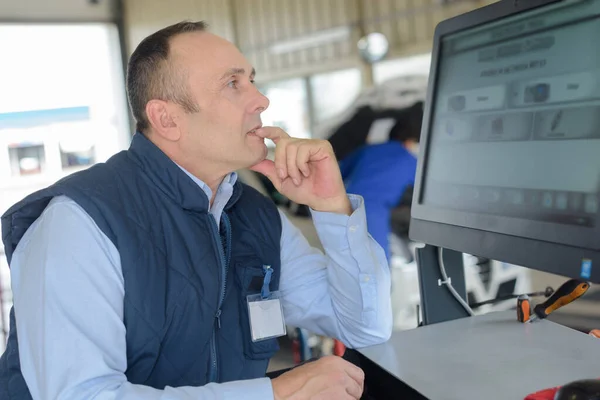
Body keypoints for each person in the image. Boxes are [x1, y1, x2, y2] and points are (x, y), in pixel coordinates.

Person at [0, 21, 392, 400]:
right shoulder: (80, 222)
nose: (261, 99)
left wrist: (331, 208)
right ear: (167, 119)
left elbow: (365, 329)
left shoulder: (256, 215)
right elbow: (80, 395)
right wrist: (276, 393)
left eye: (252, 80)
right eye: (232, 83)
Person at [339, 101, 423, 259]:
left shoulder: (367, 149)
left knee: (344, 256)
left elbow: (340, 172)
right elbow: (423, 191)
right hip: (372, 209)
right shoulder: (410, 160)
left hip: (343, 203)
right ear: (410, 140)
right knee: (377, 261)